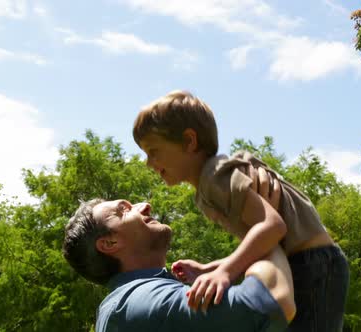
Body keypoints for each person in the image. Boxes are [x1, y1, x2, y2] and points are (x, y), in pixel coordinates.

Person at [132, 90, 349, 331]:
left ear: (189, 141)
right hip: (302, 262)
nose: (148, 162)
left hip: (314, 264)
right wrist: (210, 268)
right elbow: (260, 242)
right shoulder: (208, 187)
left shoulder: (215, 176)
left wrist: (225, 271)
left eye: (153, 151)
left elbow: (272, 226)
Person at [63, 199, 296, 332]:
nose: (145, 205)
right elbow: (273, 299)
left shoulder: (124, 304)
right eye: (123, 210)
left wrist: (217, 270)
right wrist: (263, 231)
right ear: (110, 243)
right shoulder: (147, 301)